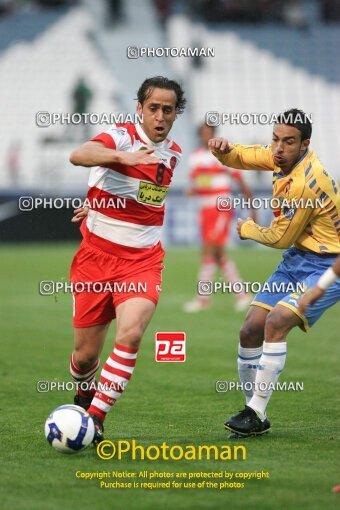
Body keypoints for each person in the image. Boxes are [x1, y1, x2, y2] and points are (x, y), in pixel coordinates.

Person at [68, 76, 186, 443]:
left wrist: (99, 200)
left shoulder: (174, 154)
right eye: (153, 108)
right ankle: (86, 393)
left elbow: (146, 199)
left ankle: (96, 418)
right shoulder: (120, 137)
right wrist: (120, 158)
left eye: (168, 109)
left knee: (131, 334)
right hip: (95, 258)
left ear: (175, 114)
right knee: (85, 357)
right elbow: (79, 155)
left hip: (142, 262)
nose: (160, 116)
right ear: (140, 109)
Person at [209, 108, 340, 437]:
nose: (278, 148)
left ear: (304, 145)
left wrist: (248, 229)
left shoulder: (306, 182)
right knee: (250, 330)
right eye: (276, 140)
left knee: (276, 321)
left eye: (288, 142)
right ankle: (253, 413)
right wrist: (224, 151)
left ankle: (255, 411)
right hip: (299, 258)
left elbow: (280, 237)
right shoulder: (282, 157)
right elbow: (246, 156)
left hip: (329, 266)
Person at [183, 123, 254, 313]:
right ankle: (242, 294)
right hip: (205, 209)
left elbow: (241, 182)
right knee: (217, 254)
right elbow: (198, 183)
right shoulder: (195, 158)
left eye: (209, 133)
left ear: (214, 134)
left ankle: (203, 299)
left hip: (220, 207)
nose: (206, 137)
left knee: (209, 251)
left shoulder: (224, 155)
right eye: (203, 134)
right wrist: (194, 189)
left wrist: (252, 207)